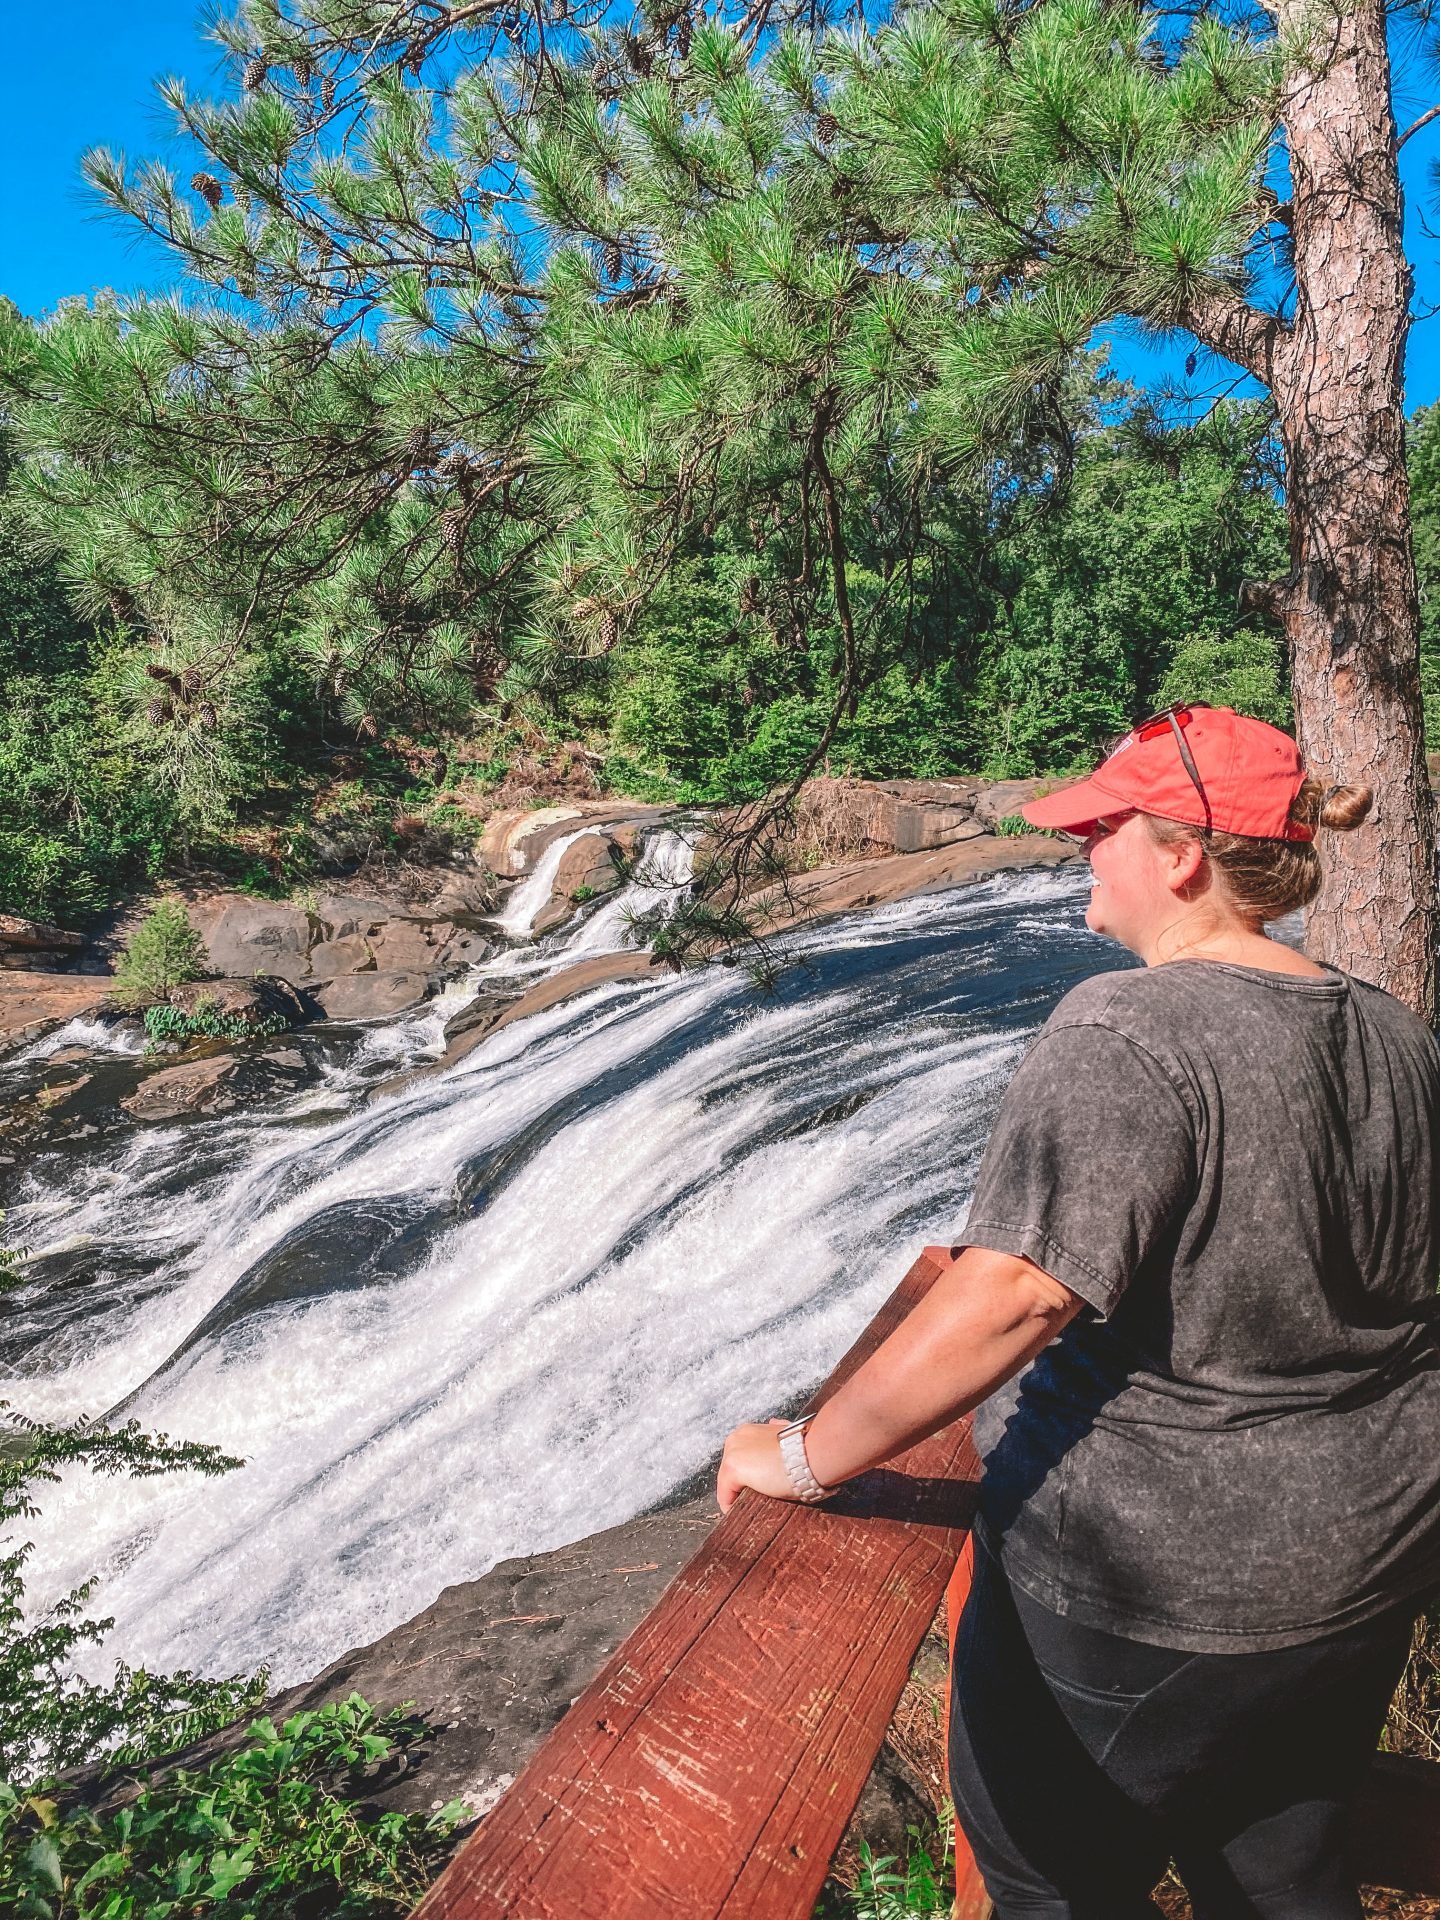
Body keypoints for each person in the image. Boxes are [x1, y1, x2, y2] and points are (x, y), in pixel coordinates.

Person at [717, 705, 1440, 1920]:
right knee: (1281, 1876)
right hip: (1364, 1569)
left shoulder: (1127, 1025)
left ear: (1182, 855)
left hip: (1153, 1593)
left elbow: (1013, 1295)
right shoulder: (1397, 1034)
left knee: (1051, 1882)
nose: (1080, 849)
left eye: (1102, 827)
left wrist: (800, 1454)